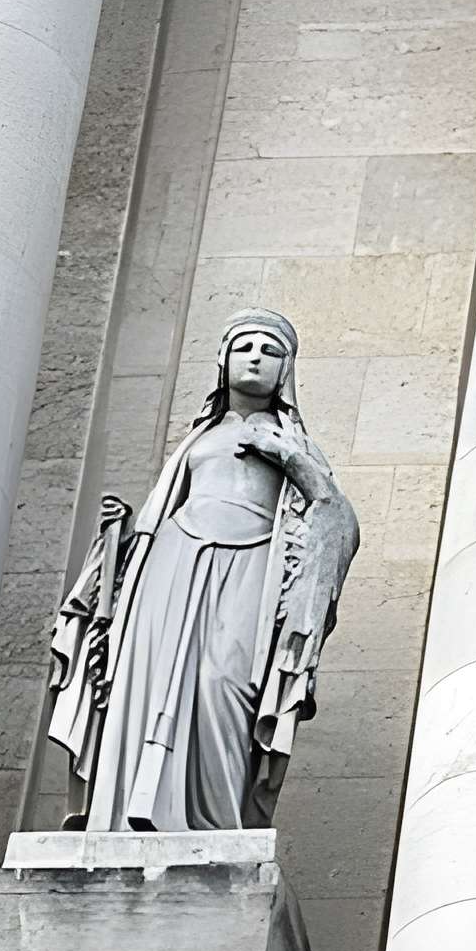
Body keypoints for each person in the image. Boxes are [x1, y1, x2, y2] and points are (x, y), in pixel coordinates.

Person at [45, 309, 361, 830]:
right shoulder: (196, 439)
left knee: (223, 683)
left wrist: (286, 458)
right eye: (245, 347)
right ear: (223, 360)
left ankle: (215, 824)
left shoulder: (295, 443)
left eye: (270, 350)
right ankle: (126, 815)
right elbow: (162, 510)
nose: (256, 356)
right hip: (173, 558)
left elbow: (336, 517)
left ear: (286, 371)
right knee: (145, 680)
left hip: (254, 565)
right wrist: (122, 534)